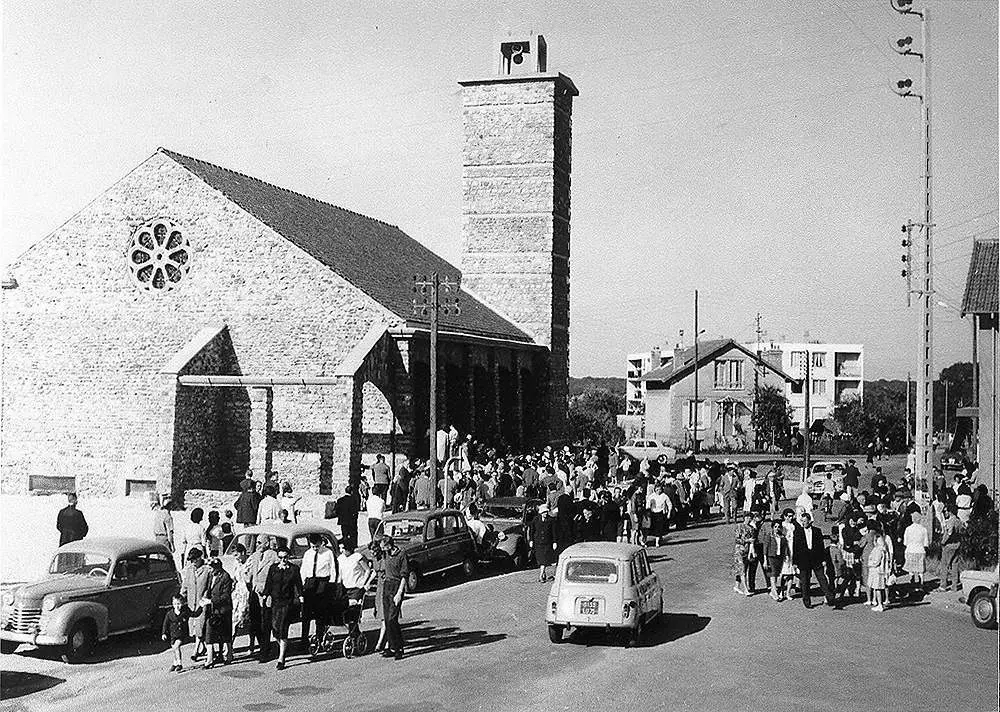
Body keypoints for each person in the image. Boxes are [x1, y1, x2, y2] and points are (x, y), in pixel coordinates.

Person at [263, 544, 303, 670]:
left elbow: (298, 584)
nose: (282, 560)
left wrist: (301, 598)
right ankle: (282, 646)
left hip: (287, 603)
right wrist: (265, 596)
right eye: (280, 557)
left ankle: (281, 658)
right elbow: (269, 583)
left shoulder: (293, 569)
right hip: (275, 602)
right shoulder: (273, 568)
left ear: (288, 556)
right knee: (275, 630)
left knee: (283, 629)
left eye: (285, 557)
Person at [299, 533, 337, 656]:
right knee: (306, 614)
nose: (315, 548)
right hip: (310, 583)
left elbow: (333, 570)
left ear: (321, 543)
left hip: (322, 582)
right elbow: (303, 570)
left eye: (317, 546)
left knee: (320, 614)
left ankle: (319, 639)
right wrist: (302, 585)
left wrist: (331, 585)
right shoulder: (308, 553)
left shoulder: (328, 553)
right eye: (313, 546)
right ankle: (304, 640)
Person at [792, 511, 836, 608]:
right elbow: (795, 547)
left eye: (804, 521)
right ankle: (807, 601)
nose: (803, 523)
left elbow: (821, 546)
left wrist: (823, 559)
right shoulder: (797, 532)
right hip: (803, 560)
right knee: (805, 581)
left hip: (816, 559)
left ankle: (830, 598)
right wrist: (795, 562)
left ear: (810, 521)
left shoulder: (817, 531)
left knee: (822, 579)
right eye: (801, 521)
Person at [201, 556, 234, 667]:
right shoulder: (211, 576)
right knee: (209, 634)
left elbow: (225, 596)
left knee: (225, 634)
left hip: (223, 610)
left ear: (216, 567)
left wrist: (210, 601)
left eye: (211, 568)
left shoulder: (225, 577)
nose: (209, 570)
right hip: (213, 610)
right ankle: (209, 659)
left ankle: (228, 654)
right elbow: (209, 589)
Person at [380, 534, 409, 660]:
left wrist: (399, 593)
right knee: (387, 619)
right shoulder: (385, 554)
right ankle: (392, 646)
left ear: (389, 546)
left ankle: (399, 647)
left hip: (397, 586)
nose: (382, 550)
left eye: (384, 547)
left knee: (392, 619)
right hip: (387, 585)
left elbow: (404, 576)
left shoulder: (401, 554)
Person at [249, 537, 277, 662]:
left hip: (267, 593)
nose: (257, 545)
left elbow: (275, 575)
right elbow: (250, 572)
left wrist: (266, 589)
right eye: (257, 542)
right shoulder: (255, 556)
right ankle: (263, 646)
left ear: (267, 543)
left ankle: (265, 651)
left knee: (266, 623)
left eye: (260, 542)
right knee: (255, 623)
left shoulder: (273, 556)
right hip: (255, 594)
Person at [180, 547, 211, 662]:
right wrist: (181, 598)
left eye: (194, 560)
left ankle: (195, 651)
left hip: (202, 604)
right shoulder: (189, 570)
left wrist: (206, 598)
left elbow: (209, 586)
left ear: (199, 558)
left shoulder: (207, 570)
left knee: (200, 627)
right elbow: (185, 586)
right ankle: (203, 648)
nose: (193, 562)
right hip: (191, 604)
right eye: (191, 560)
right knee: (193, 628)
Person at [161, 593, 192, 672]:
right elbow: (165, 623)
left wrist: (201, 607)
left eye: (178, 604)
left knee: (176, 647)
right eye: (175, 604)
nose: (177, 606)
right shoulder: (170, 614)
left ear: (182, 603)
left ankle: (179, 664)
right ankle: (175, 663)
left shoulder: (185, 612)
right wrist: (164, 633)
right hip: (173, 634)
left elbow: (194, 614)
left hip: (181, 634)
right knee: (174, 649)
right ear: (172, 604)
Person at [938, 505, 965, 591]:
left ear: (950, 512)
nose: (945, 513)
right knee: (955, 564)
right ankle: (954, 586)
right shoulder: (959, 521)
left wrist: (943, 542)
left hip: (949, 545)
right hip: (957, 543)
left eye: (945, 511)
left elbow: (949, 533)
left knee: (944, 565)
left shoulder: (951, 521)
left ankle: (943, 586)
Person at [867, 524, 892, 612]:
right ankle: (879, 603)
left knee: (877, 589)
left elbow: (876, 562)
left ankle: (880, 604)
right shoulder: (884, 550)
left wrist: (870, 564)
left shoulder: (878, 550)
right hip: (882, 571)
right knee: (879, 588)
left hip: (877, 571)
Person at [732, 514, 757, 597]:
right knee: (742, 570)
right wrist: (747, 540)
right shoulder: (739, 526)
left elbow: (753, 540)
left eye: (750, 518)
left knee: (742, 569)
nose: (748, 520)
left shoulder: (751, 528)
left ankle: (737, 586)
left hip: (746, 551)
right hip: (739, 550)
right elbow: (737, 539)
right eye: (747, 518)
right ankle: (746, 589)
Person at [531, 504, 557, 582]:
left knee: (545, 559)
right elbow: (532, 531)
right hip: (538, 543)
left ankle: (541, 575)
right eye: (544, 512)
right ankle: (543, 573)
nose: (545, 514)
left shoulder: (551, 520)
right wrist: (531, 540)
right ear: (541, 513)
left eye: (546, 512)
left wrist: (554, 542)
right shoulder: (535, 520)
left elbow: (554, 532)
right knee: (540, 559)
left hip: (547, 542)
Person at [902, 516, 928, 587]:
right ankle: (921, 582)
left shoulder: (908, 529)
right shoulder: (923, 529)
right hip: (920, 550)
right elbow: (926, 543)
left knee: (911, 568)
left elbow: (905, 542)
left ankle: (912, 581)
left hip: (910, 550)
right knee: (920, 568)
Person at [334, 485, 360, 550]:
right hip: (351, 521)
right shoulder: (353, 500)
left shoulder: (340, 500)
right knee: (353, 535)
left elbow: (337, 511)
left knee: (345, 535)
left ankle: (346, 546)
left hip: (343, 521)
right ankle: (353, 546)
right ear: (351, 492)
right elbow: (355, 510)